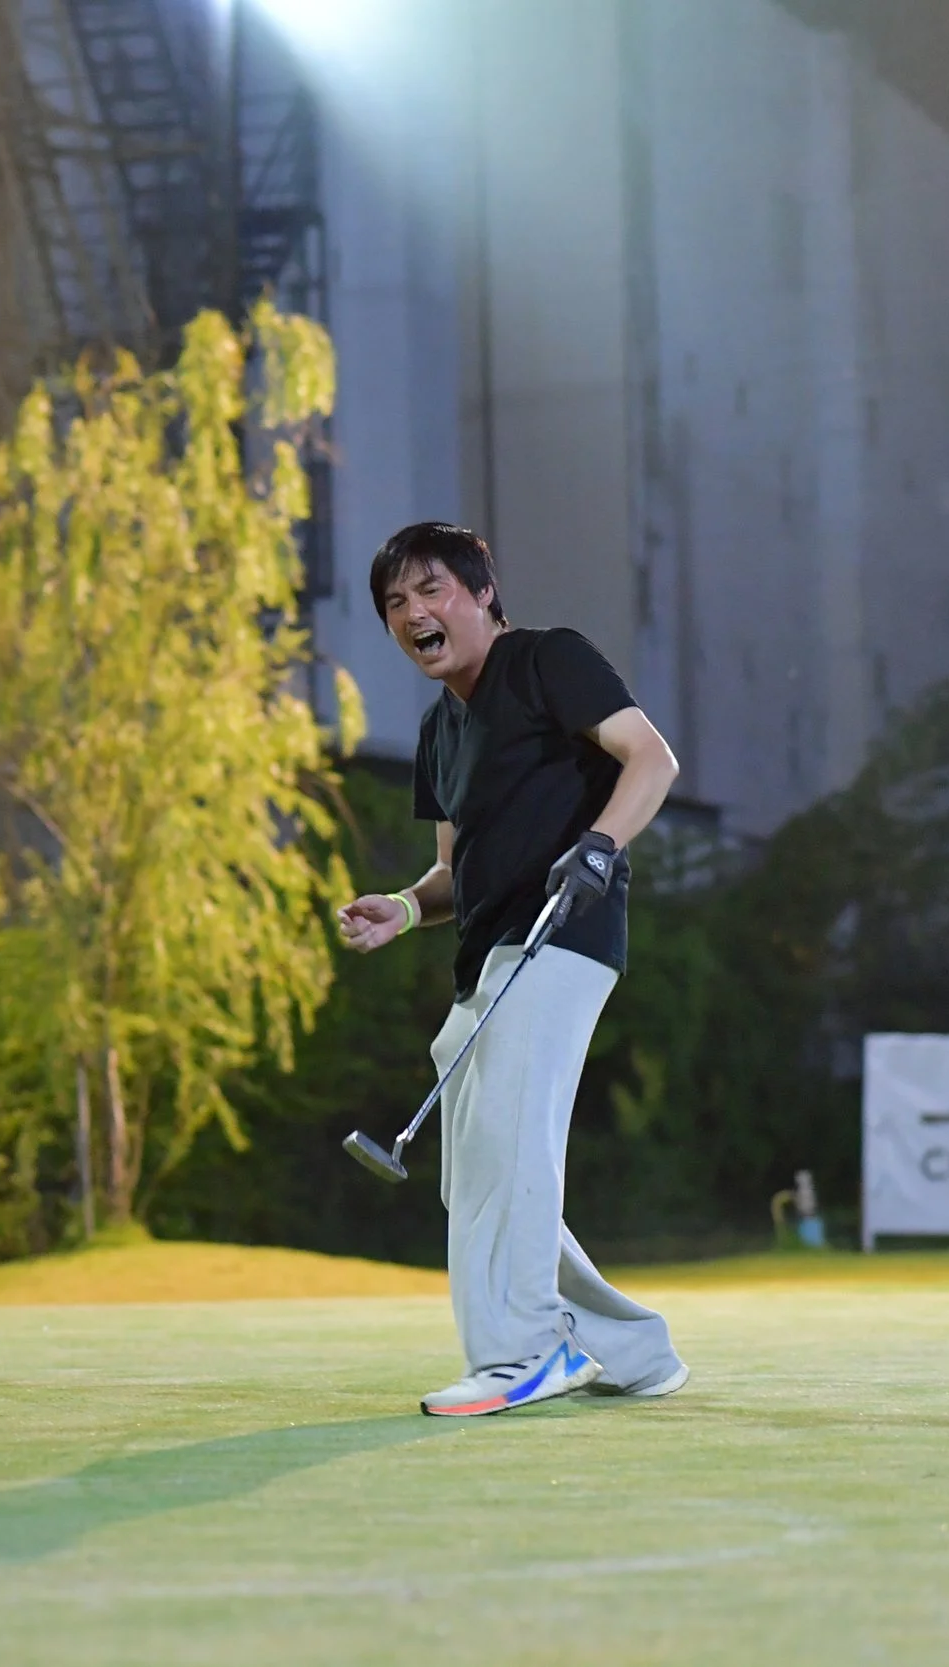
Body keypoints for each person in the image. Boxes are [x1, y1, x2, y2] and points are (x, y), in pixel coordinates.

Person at [336, 523, 690, 1417]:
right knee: (479, 1172)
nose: (415, 611)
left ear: (484, 592)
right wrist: (407, 908)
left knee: (507, 1151)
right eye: (395, 604)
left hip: (564, 938)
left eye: (431, 590)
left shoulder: (547, 661)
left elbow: (652, 757)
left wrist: (602, 847)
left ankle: (525, 1350)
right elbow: (456, 870)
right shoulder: (439, 733)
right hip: (484, 959)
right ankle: (628, 1347)